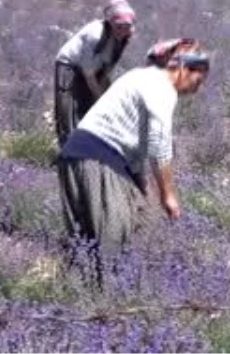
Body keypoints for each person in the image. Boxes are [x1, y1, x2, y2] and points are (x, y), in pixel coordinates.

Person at [56, 38, 210, 286]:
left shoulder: (139, 77)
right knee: (111, 247)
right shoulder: (161, 88)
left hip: (75, 156)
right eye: (198, 79)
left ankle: (70, 302)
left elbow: (134, 139)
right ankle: (105, 310)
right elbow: (159, 142)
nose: (198, 88)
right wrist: (168, 195)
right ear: (183, 68)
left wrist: (140, 182)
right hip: (99, 159)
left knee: (83, 245)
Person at [53, 0, 136, 147]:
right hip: (69, 66)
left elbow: (105, 71)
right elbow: (89, 75)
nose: (122, 30)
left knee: (90, 108)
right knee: (69, 110)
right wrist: (100, 98)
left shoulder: (124, 37)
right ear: (110, 23)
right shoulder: (95, 35)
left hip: (92, 69)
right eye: (118, 26)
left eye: (126, 26)